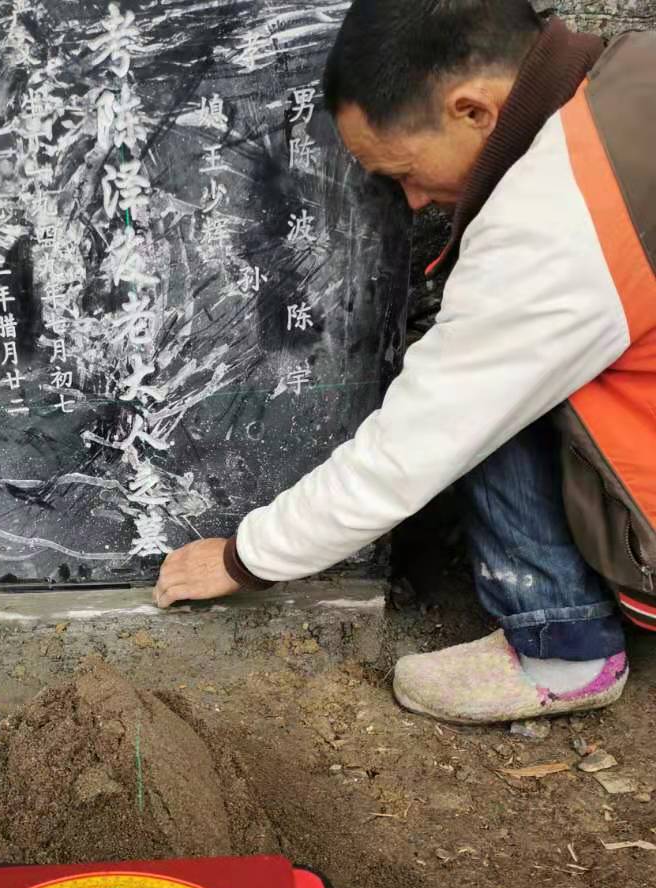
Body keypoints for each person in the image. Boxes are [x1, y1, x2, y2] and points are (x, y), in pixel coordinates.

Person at [153, 0, 656, 725]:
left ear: (473, 110)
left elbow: (411, 450)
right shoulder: (630, 73)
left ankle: (563, 648)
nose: (412, 200)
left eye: (403, 172)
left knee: (480, 388)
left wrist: (246, 558)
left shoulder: (555, 226)